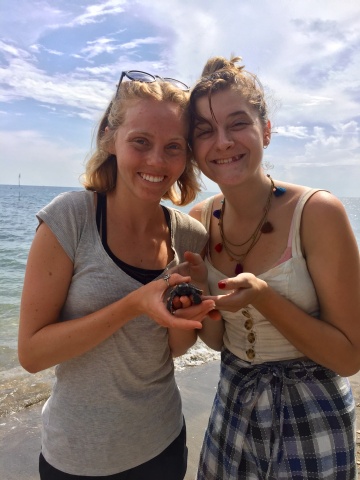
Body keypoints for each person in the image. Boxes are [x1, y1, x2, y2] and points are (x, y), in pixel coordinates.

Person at [17, 70, 218, 480]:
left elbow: (175, 349)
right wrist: (133, 305)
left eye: (173, 147)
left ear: (187, 158)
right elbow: (32, 355)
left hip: (163, 442)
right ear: (110, 139)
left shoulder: (189, 235)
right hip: (78, 456)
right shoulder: (70, 219)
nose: (157, 161)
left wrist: (188, 304)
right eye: (140, 142)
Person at [188, 56, 360, 479]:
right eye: (205, 131)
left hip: (312, 412)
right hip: (231, 404)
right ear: (194, 148)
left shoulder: (317, 212)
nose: (223, 142)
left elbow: (349, 356)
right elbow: (215, 342)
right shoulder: (198, 220)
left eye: (237, 123)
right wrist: (197, 297)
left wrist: (266, 299)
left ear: (265, 130)